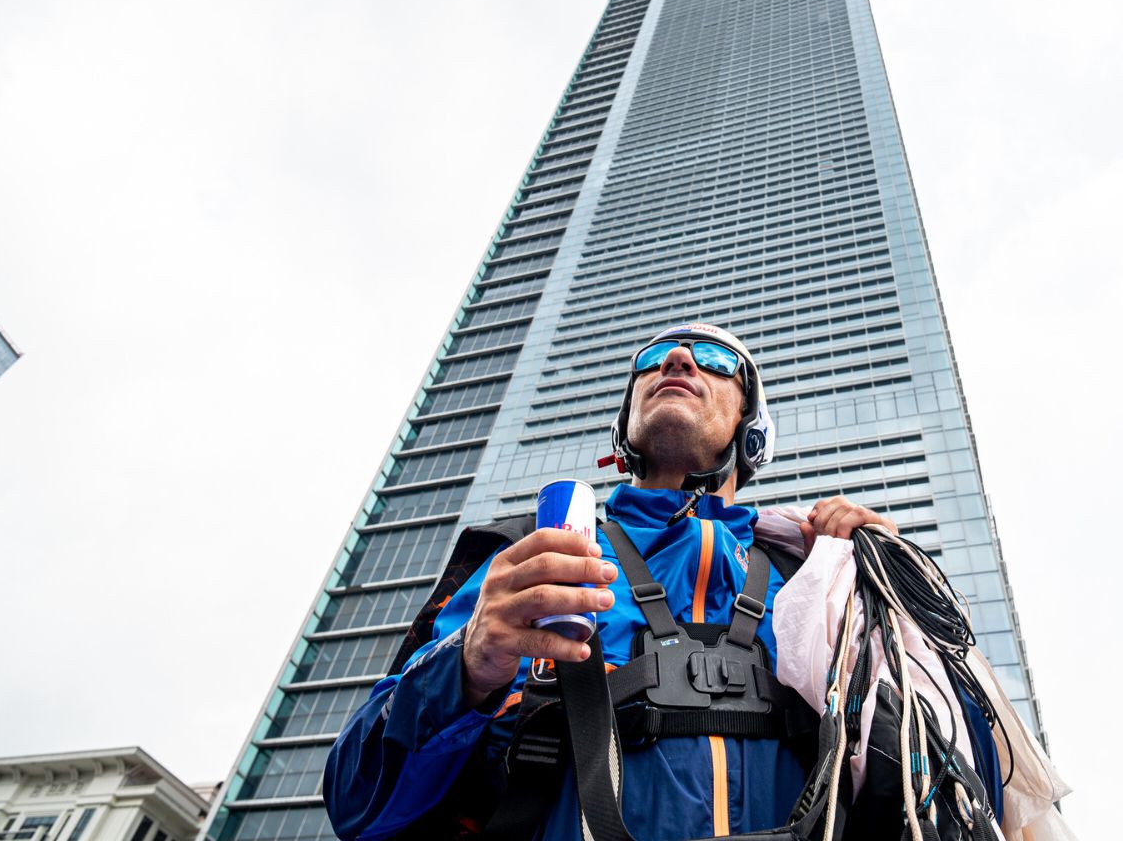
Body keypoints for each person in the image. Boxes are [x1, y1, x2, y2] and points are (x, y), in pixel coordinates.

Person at [323, 322, 899, 841]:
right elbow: (357, 804)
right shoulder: (529, 563)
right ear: (623, 428)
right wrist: (465, 668)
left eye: (716, 359)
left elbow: (943, 785)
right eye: (653, 359)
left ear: (753, 430)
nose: (676, 360)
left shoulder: (816, 578)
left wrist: (892, 592)